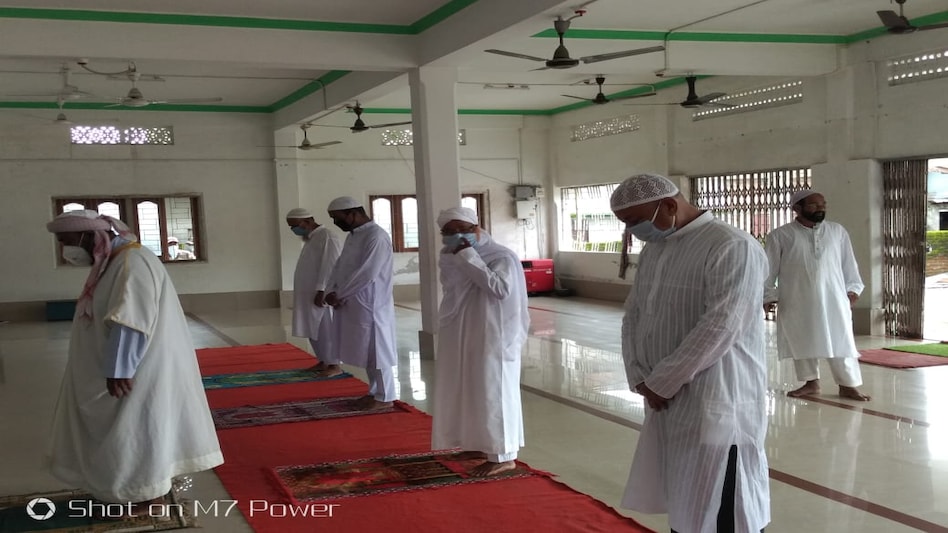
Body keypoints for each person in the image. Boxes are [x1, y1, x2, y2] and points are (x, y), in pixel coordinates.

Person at [610, 174, 770, 533]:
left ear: (668, 206)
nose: (634, 232)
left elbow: (722, 325)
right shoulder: (656, 249)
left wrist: (663, 381)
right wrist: (638, 376)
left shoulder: (731, 246)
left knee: (723, 502)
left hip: (718, 395)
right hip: (666, 397)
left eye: (636, 221)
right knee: (686, 500)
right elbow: (635, 314)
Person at [45, 210, 223, 515]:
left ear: (90, 237)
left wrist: (119, 370)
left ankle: (146, 496)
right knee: (132, 428)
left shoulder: (130, 262)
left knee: (137, 427)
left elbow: (130, 321)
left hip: (138, 367)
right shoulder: (113, 262)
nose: (66, 248)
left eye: (68, 240)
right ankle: (131, 487)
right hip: (126, 363)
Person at [430, 207, 530, 477]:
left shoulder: (501, 256)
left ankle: (504, 454)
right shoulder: (448, 255)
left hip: (493, 333)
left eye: (462, 229)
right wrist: (460, 255)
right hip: (462, 329)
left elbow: (499, 289)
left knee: (493, 389)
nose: (457, 236)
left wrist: (467, 254)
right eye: (449, 232)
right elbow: (452, 289)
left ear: (477, 227)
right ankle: (476, 443)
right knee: (468, 387)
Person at [763, 189, 871, 401]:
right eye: (813, 205)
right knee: (802, 339)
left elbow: (849, 263)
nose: (820, 208)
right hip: (797, 299)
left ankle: (848, 385)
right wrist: (768, 296)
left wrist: (853, 289)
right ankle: (811, 383)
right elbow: (768, 270)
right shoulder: (780, 235)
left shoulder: (837, 231)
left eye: (823, 204)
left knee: (842, 339)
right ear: (797, 208)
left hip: (834, 298)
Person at [324, 197, 398, 410]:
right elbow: (339, 266)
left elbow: (368, 273)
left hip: (372, 305)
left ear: (352, 214)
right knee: (368, 350)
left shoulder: (376, 236)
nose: (336, 223)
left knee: (378, 351)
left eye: (337, 219)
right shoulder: (354, 236)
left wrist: (340, 294)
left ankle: (385, 397)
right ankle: (375, 392)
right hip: (352, 302)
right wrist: (331, 290)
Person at [286, 207, 343, 376]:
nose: (294, 230)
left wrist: (322, 290)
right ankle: (324, 360)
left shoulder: (327, 236)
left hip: (319, 293)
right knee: (313, 328)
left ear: (308, 221)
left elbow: (330, 265)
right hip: (308, 292)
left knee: (324, 328)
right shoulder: (313, 238)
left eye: (295, 225)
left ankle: (334, 364)